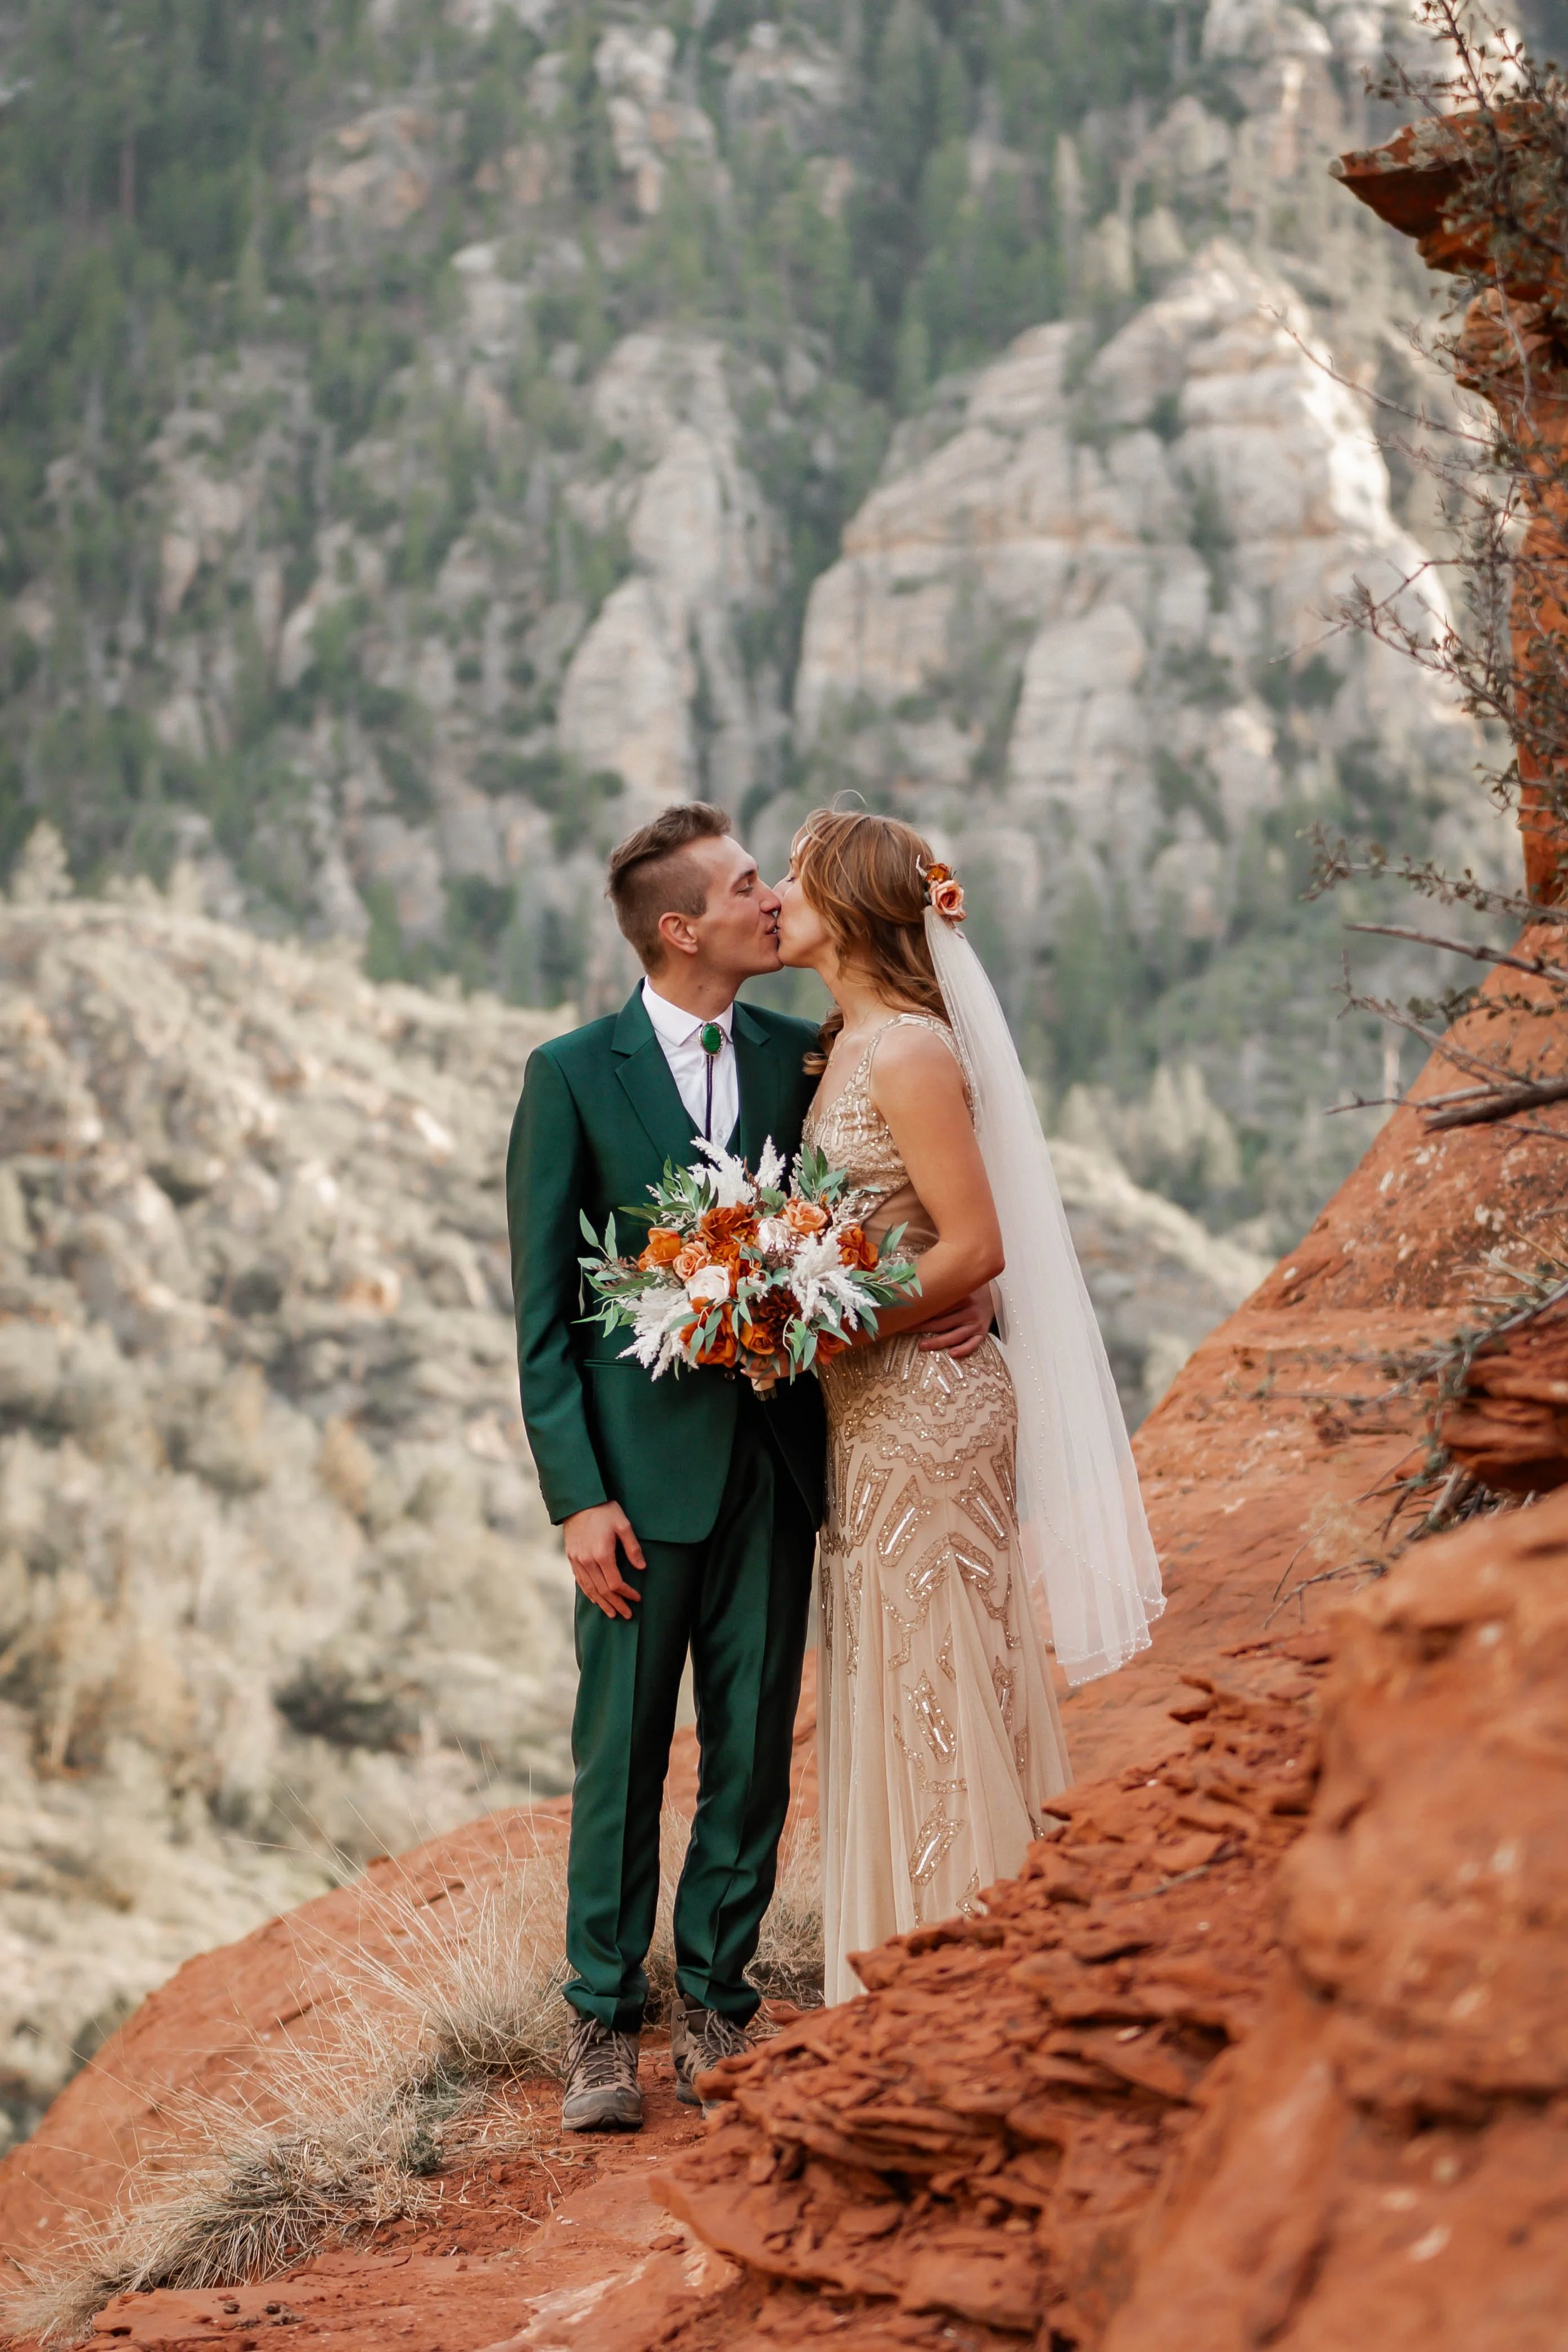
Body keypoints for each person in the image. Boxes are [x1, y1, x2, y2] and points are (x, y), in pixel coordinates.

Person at [506, 802, 992, 2128]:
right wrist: (575, 1500)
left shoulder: (805, 1052)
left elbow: (923, 1162)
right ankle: (601, 2026)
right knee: (618, 1754)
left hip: (785, 1465)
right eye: (739, 886)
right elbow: (542, 1313)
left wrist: (975, 1289)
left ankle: (717, 2004)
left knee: (752, 1752)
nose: (766, 901)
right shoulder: (568, 1074)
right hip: (632, 1490)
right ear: (680, 930)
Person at [775, 810, 1163, 2002]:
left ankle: (966, 1967)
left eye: (796, 875)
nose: (777, 895)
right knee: (896, 1663)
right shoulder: (845, 1042)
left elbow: (976, 1246)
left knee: (943, 1663)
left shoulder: (909, 1053)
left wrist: (819, 1324)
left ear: (843, 905)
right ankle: (916, 1953)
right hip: (871, 1409)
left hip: (934, 1404)